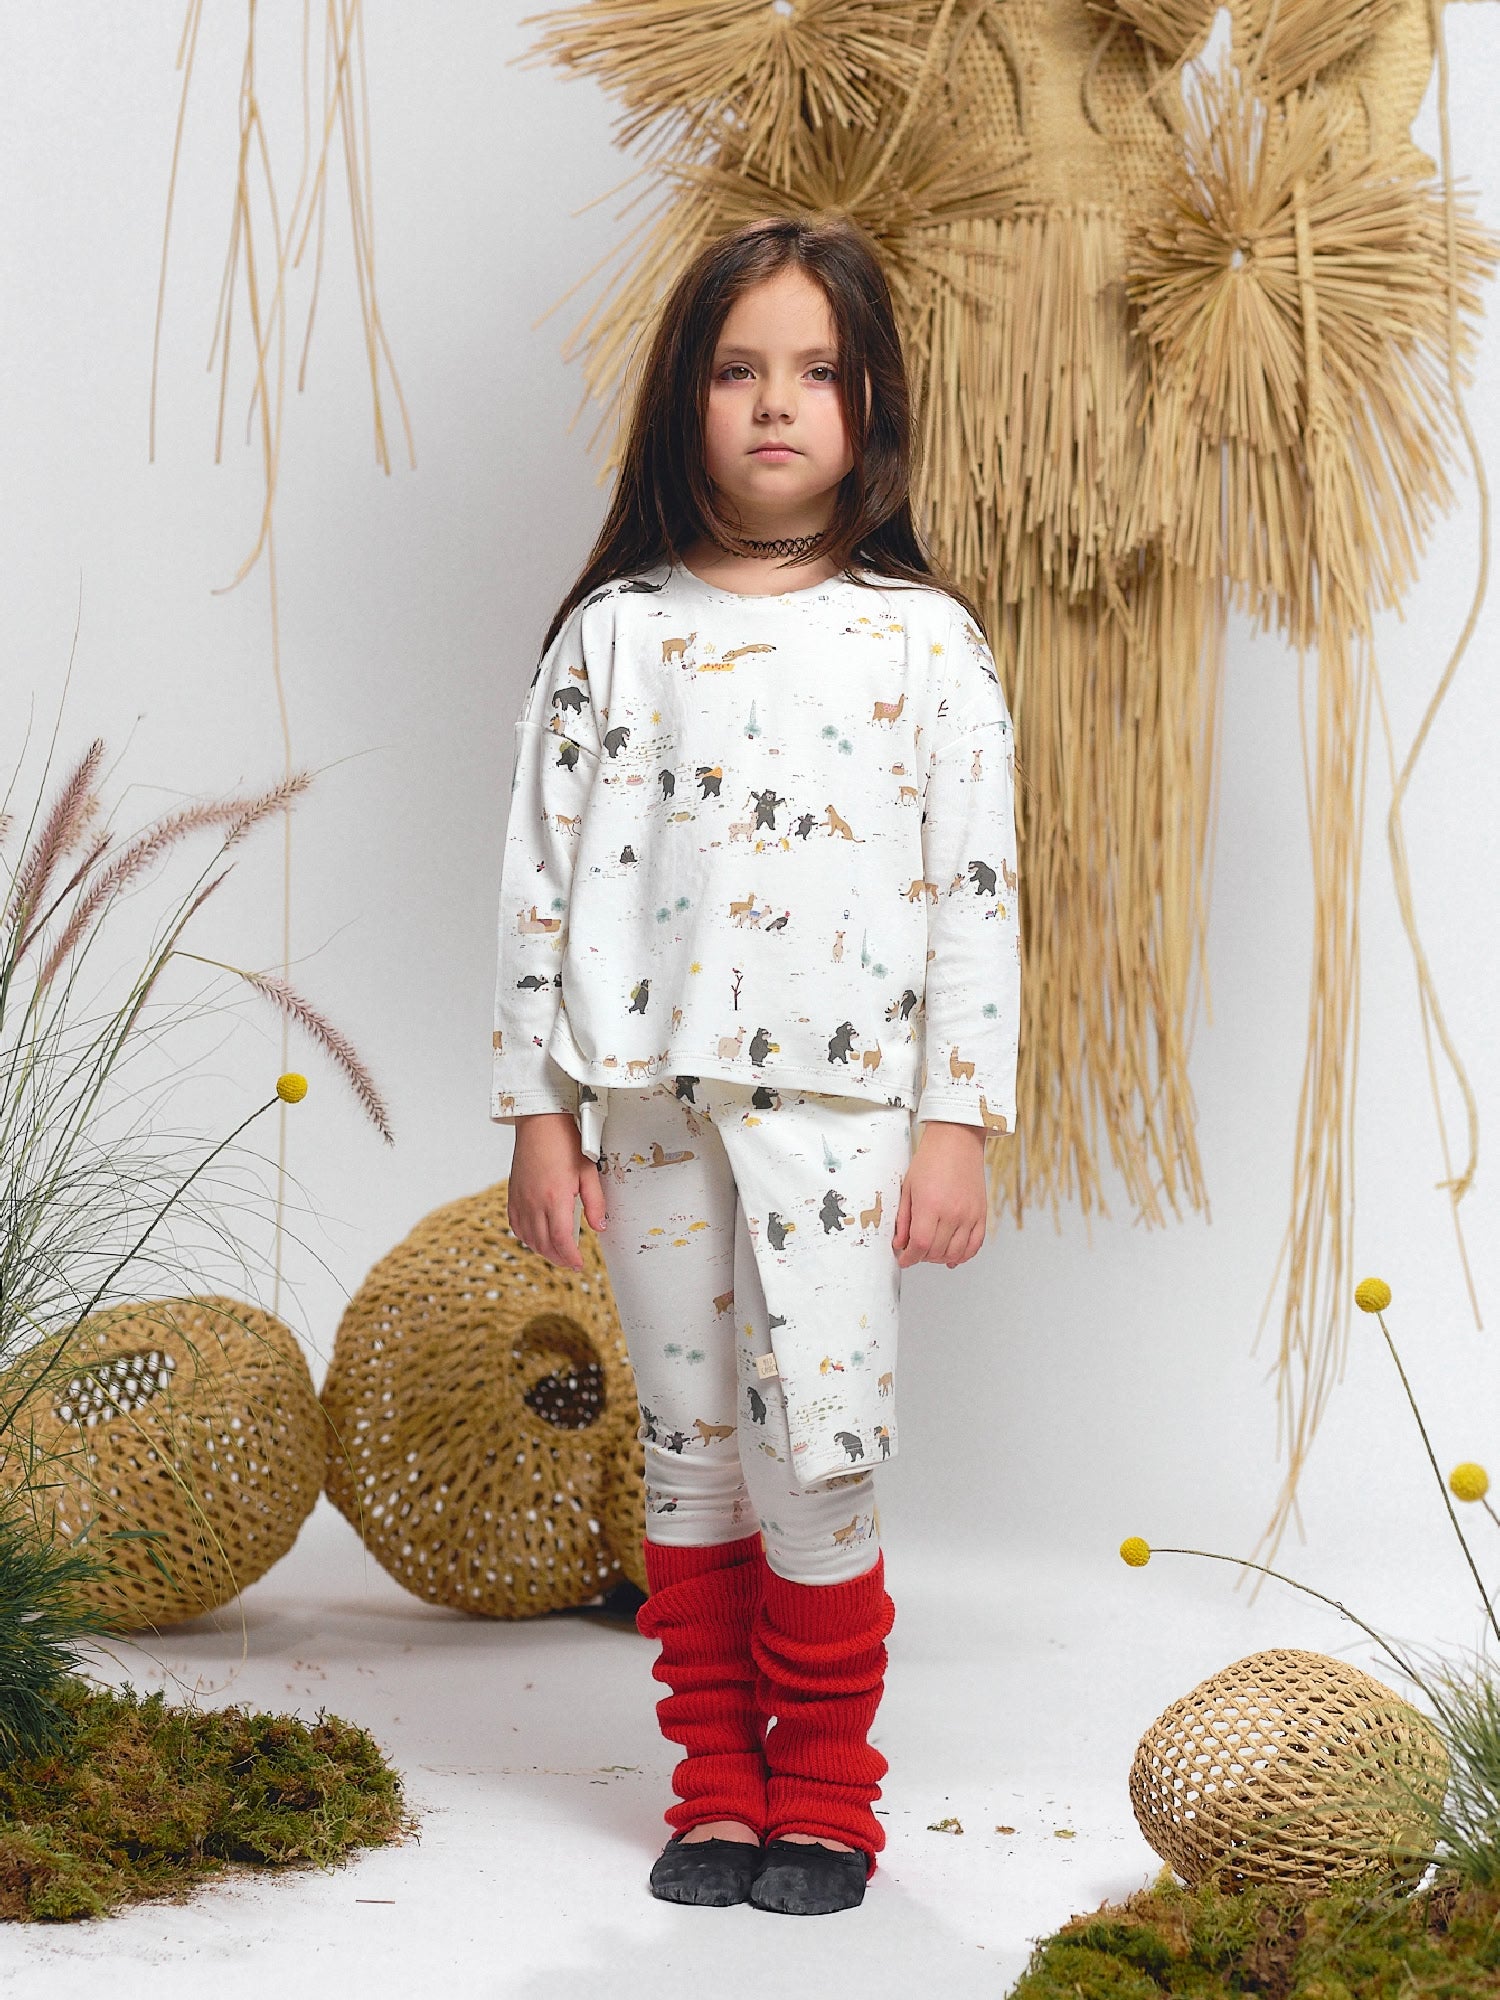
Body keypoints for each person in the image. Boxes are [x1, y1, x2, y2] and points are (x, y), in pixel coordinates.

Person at [491, 214, 1019, 1917]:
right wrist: (538, 1115)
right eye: (737, 370)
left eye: (815, 371)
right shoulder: (615, 638)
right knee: (692, 1448)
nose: (774, 405)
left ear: (872, 403)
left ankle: (833, 1798)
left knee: (826, 1447)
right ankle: (719, 1788)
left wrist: (959, 1126)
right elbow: (539, 881)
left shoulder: (925, 643)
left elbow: (975, 901)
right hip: (647, 1108)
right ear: (682, 399)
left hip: (846, 1118)